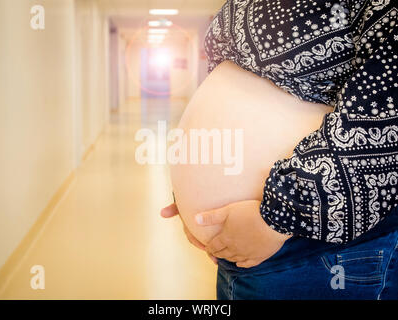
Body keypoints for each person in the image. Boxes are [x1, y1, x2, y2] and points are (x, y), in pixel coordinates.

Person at [162, 0, 398, 299]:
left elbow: (384, 115)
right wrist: (193, 188)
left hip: (314, 247)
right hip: (257, 249)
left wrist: (279, 216)